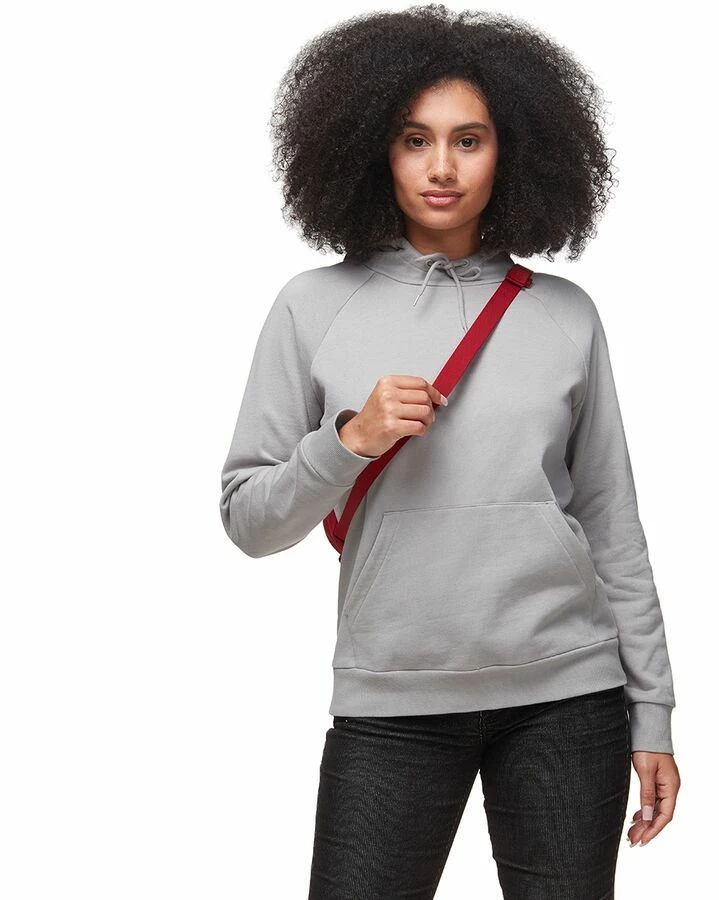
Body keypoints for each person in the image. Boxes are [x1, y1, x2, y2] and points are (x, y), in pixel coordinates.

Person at [219, 5, 681, 898]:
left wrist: (653, 710)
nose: (441, 167)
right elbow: (248, 521)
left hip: (567, 699)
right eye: (414, 140)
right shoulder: (312, 306)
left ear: (512, 152)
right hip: (392, 701)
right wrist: (346, 443)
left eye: (468, 140)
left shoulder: (565, 314)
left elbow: (611, 523)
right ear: (373, 150)